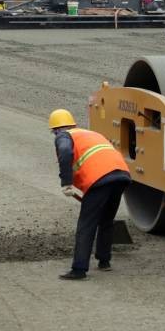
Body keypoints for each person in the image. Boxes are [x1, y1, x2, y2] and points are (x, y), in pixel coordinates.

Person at [49, 109, 131, 280]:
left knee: (87, 223)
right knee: (106, 220)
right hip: (121, 175)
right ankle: (104, 261)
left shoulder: (63, 136)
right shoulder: (90, 134)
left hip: (99, 178)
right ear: (73, 124)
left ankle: (79, 269)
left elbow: (65, 152)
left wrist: (66, 182)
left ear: (55, 129)